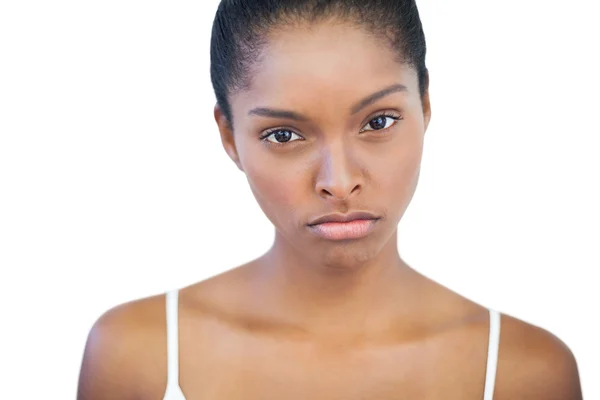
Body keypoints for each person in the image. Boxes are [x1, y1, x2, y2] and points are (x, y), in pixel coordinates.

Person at [77, 1, 583, 399]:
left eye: (378, 122)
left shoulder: (526, 373)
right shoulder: (137, 356)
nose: (338, 182)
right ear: (229, 136)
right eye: (283, 134)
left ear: (425, 107)